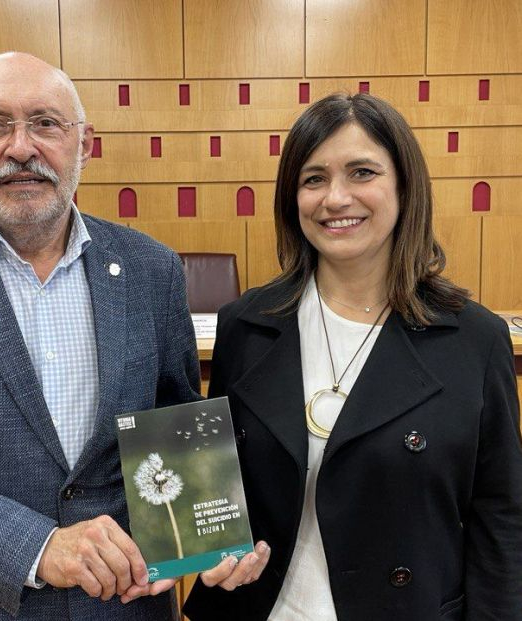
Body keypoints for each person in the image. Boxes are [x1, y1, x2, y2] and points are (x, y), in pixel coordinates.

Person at [0, 52, 267, 621]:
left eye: (46, 123)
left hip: (125, 605)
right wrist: (37, 547)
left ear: (85, 144)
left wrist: (206, 540)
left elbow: (170, 418)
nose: (21, 147)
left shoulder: (152, 270)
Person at [184, 93, 522, 621]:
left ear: (404, 186)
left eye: (362, 172)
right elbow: (218, 483)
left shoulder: (474, 340)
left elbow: (501, 516)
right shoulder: (245, 325)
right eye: (313, 179)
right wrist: (208, 552)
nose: (335, 198)